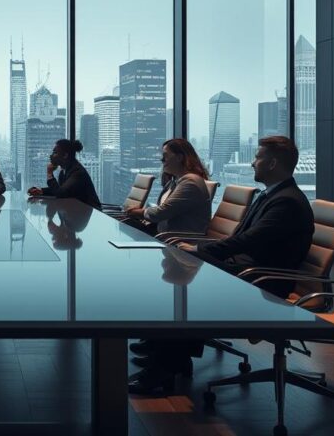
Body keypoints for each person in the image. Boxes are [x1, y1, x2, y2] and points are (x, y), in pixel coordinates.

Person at [128, 136, 314, 395]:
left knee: (188, 288)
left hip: (265, 281)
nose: (252, 163)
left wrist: (198, 249)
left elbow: (250, 240)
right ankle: (169, 358)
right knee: (182, 281)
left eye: (257, 157)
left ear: (272, 164)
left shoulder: (287, 201)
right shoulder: (273, 195)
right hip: (249, 270)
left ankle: (163, 367)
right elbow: (241, 238)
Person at [124, 138, 211, 236]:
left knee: (126, 227)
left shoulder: (190, 182)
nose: (162, 160)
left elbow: (162, 212)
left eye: (165, 156)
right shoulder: (175, 180)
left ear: (179, 157)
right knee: (127, 225)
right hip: (163, 233)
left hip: (177, 240)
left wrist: (138, 212)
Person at [27, 139, 101, 209]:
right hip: (77, 212)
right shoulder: (65, 171)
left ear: (65, 155)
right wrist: (41, 191)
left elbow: (60, 193)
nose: (51, 156)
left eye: (55, 152)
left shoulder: (77, 172)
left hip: (92, 214)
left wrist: (49, 173)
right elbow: (59, 190)